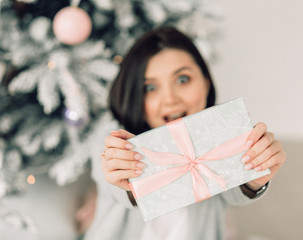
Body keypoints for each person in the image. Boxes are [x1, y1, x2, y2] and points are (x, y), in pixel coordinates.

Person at [84, 26, 286, 240]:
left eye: (182, 80)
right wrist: (122, 177)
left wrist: (254, 177)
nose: (170, 99)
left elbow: (234, 195)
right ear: (135, 95)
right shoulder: (113, 137)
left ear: (206, 82)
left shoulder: (221, 136)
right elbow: (111, 183)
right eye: (150, 88)